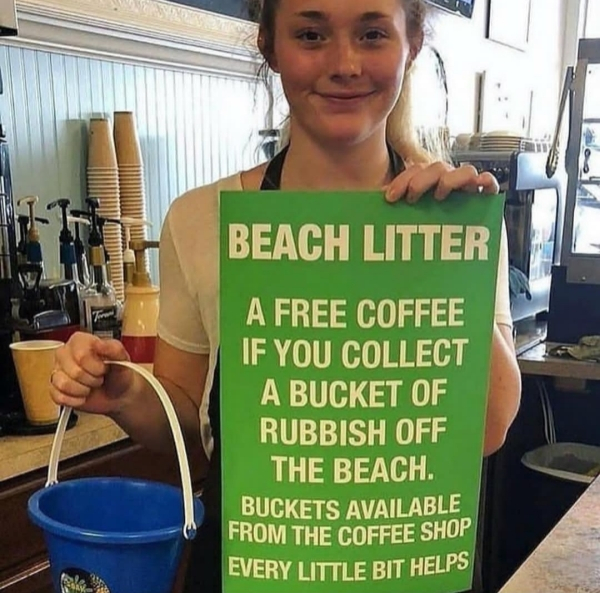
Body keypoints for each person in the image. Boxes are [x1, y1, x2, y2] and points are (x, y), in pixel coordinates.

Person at [50, 0, 522, 591]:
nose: (345, 63)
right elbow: (193, 429)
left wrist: (446, 260)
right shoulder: (201, 219)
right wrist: (124, 393)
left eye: (373, 33)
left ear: (413, 42)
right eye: (311, 33)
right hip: (255, 566)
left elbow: (490, 429)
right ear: (269, 45)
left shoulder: (461, 216)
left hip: (407, 567)